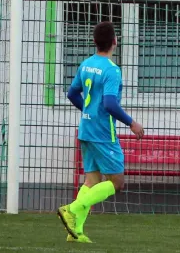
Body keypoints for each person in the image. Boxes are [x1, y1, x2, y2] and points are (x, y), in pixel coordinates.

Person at [58, 21, 144, 243]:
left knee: (92, 180)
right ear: (115, 42)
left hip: (86, 129)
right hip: (104, 133)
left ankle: (75, 232)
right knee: (117, 183)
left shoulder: (86, 64)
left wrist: (89, 111)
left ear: (95, 42)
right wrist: (131, 123)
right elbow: (110, 104)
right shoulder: (112, 70)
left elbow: (72, 93)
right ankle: (72, 208)